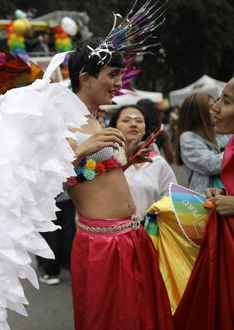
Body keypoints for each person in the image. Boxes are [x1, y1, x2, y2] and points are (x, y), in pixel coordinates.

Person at [65, 37, 173, 329]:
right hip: (103, 244)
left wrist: (124, 163)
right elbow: (45, 184)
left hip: (130, 235)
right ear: (85, 79)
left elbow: (85, 177)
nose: (119, 82)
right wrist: (81, 151)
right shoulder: (61, 121)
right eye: (113, 74)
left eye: (120, 74)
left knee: (139, 317)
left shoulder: (93, 118)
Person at [174, 78, 234, 329]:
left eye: (226, 101)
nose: (216, 108)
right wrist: (222, 192)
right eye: (218, 99)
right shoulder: (227, 140)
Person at [109, 105, 177, 217]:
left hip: (150, 231)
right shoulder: (104, 159)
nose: (133, 124)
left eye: (139, 121)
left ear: (145, 129)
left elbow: (172, 198)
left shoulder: (158, 162)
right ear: (114, 126)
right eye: (126, 120)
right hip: (113, 231)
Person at [175, 93, 230, 193]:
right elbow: (210, 165)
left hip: (224, 193)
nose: (216, 109)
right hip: (204, 200)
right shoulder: (188, 137)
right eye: (210, 107)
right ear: (197, 113)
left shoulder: (220, 132)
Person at [36, 192, 76, 285]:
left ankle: (50, 272)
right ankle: (73, 270)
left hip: (45, 200)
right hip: (66, 197)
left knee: (49, 234)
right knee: (68, 233)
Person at [137, 98, 175, 163]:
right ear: (154, 111)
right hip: (151, 167)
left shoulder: (131, 129)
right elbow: (170, 159)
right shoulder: (159, 131)